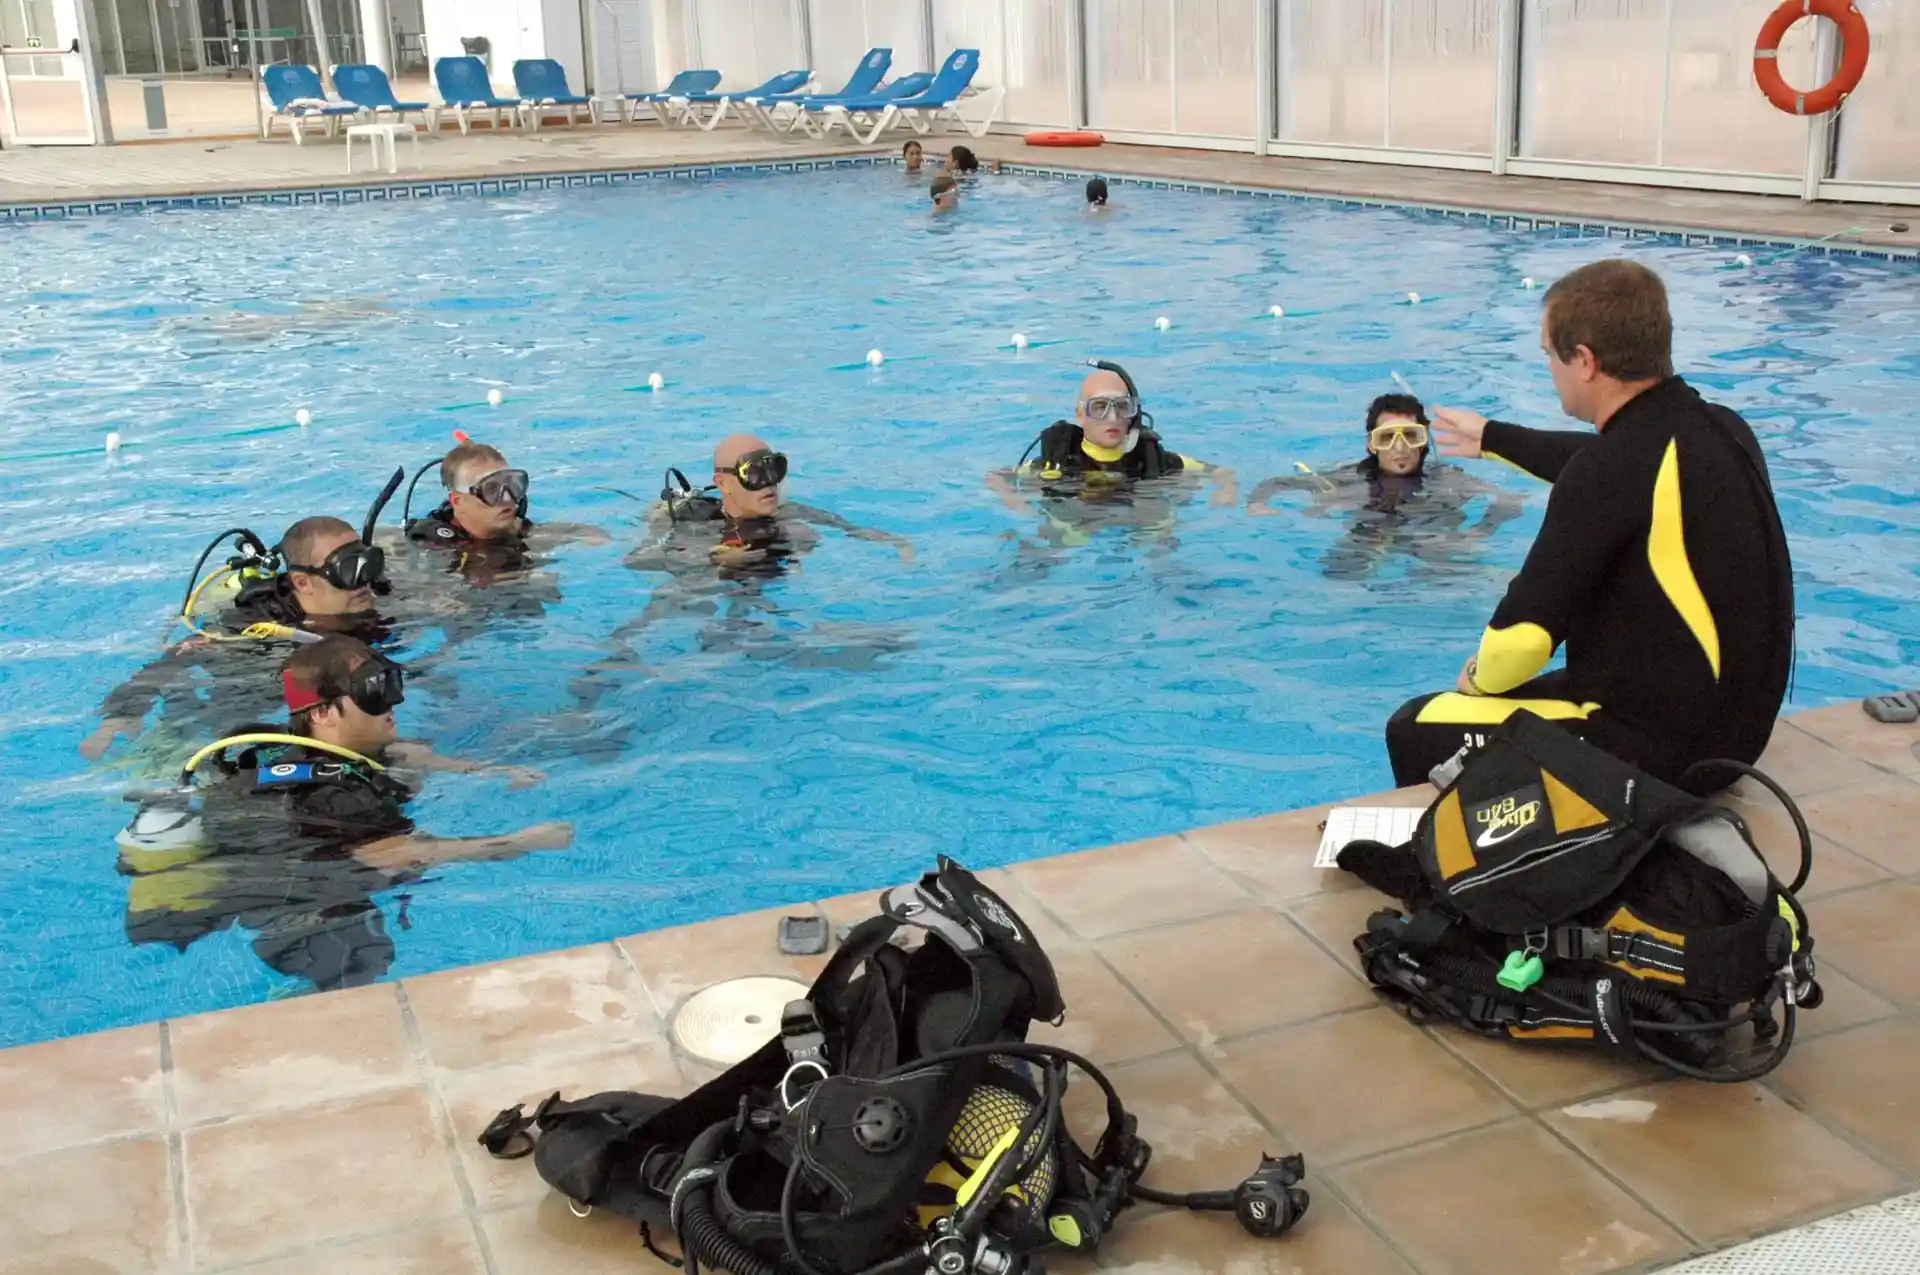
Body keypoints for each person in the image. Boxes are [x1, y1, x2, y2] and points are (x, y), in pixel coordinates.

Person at [1383, 259, 1795, 793]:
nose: (1549, 368)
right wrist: (1493, 437)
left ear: (1584, 361)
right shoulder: (1721, 428)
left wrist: (1479, 678)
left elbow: (1521, 641)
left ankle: (1491, 864)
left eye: (1550, 355)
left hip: (1663, 754)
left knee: (1419, 725)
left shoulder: (1609, 469)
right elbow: (1602, 461)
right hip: (1737, 736)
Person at [117, 636, 569, 991]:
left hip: (248, 853)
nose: (392, 704)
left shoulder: (287, 750)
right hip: (292, 897)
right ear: (324, 714)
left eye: (390, 685)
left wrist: (484, 770)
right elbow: (395, 855)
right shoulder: (336, 794)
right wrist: (518, 843)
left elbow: (399, 754)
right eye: (373, 693)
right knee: (364, 964)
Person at [82, 515, 393, 761]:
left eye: (368, 563)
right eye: (349, 569)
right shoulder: (255, 626)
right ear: (302, 581)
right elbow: (178, 659)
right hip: (249, 690)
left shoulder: (371, 604)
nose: (365, 580)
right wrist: (119, 716)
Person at [1246, 394, 1521, 581]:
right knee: (1338, 580)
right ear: (1371, 444)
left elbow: (1509, 500)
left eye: (1410, 436)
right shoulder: (1347, 477)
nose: (1400, 447)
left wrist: (1479, 532)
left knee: (1453, 579)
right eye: (1387, 437)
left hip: (1432, 542)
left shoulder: (1445, 479)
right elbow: (1277, 483)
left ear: (1424, 441)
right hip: (1368, 534)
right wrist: (1258, 503)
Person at [988, 362, 1237, 513]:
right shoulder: (1061, 458)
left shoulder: (1151, 457)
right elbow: (998, 476)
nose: (1112, 417)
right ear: (1080, 414)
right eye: (1099, 407)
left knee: (1161, 543)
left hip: (1139, 518)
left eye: (1122, 406)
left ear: (1134, 414)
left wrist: (1226, 491)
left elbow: (1220, 471)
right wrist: (1013, 500)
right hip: (1077, 522)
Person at [405, 438, 609, 566]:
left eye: (512, 485)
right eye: (491, 489)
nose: (507, 499)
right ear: (458, 501)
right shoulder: (431, 546)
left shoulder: (517, 529)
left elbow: (590, 535)